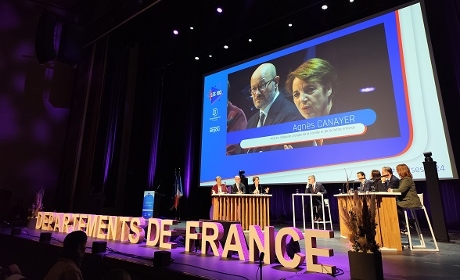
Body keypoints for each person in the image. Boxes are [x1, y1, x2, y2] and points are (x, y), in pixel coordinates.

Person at [245, 62, 304, 152]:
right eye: (253, 89)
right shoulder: (251, 122)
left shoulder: (292, 116)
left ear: (276, 82)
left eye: (262, 86)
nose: (257, 93)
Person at [284, 58, 338, 147]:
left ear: (328, 88)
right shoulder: (294, 138)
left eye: (310, 90)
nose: (302, 99)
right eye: (296, 94)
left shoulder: (353, 123)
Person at [388, 164, 422, 232]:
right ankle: (406, 223)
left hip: (410, 201)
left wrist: (391, 190)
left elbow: (401, 190)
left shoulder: (407, 179)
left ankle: (407, 223)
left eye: (398, 170)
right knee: (392, 205)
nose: (397, 172)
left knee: (394, 206)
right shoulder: (403, 180)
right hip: (405, 200)